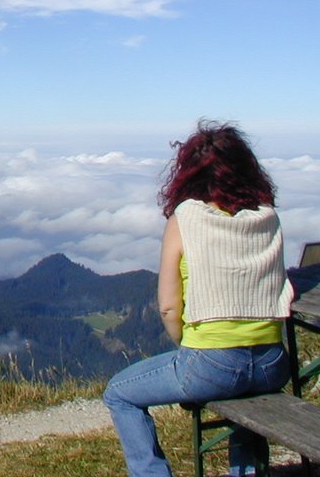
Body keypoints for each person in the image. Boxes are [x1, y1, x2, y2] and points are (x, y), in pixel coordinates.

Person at [103, 121, 294, 477]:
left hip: (212, 363)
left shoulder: (185, 219)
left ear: (187, 173)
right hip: (272, 364)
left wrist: (187, 348)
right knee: (242, 401)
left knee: (119, 394)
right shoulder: (268, 217)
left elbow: (169, 307)